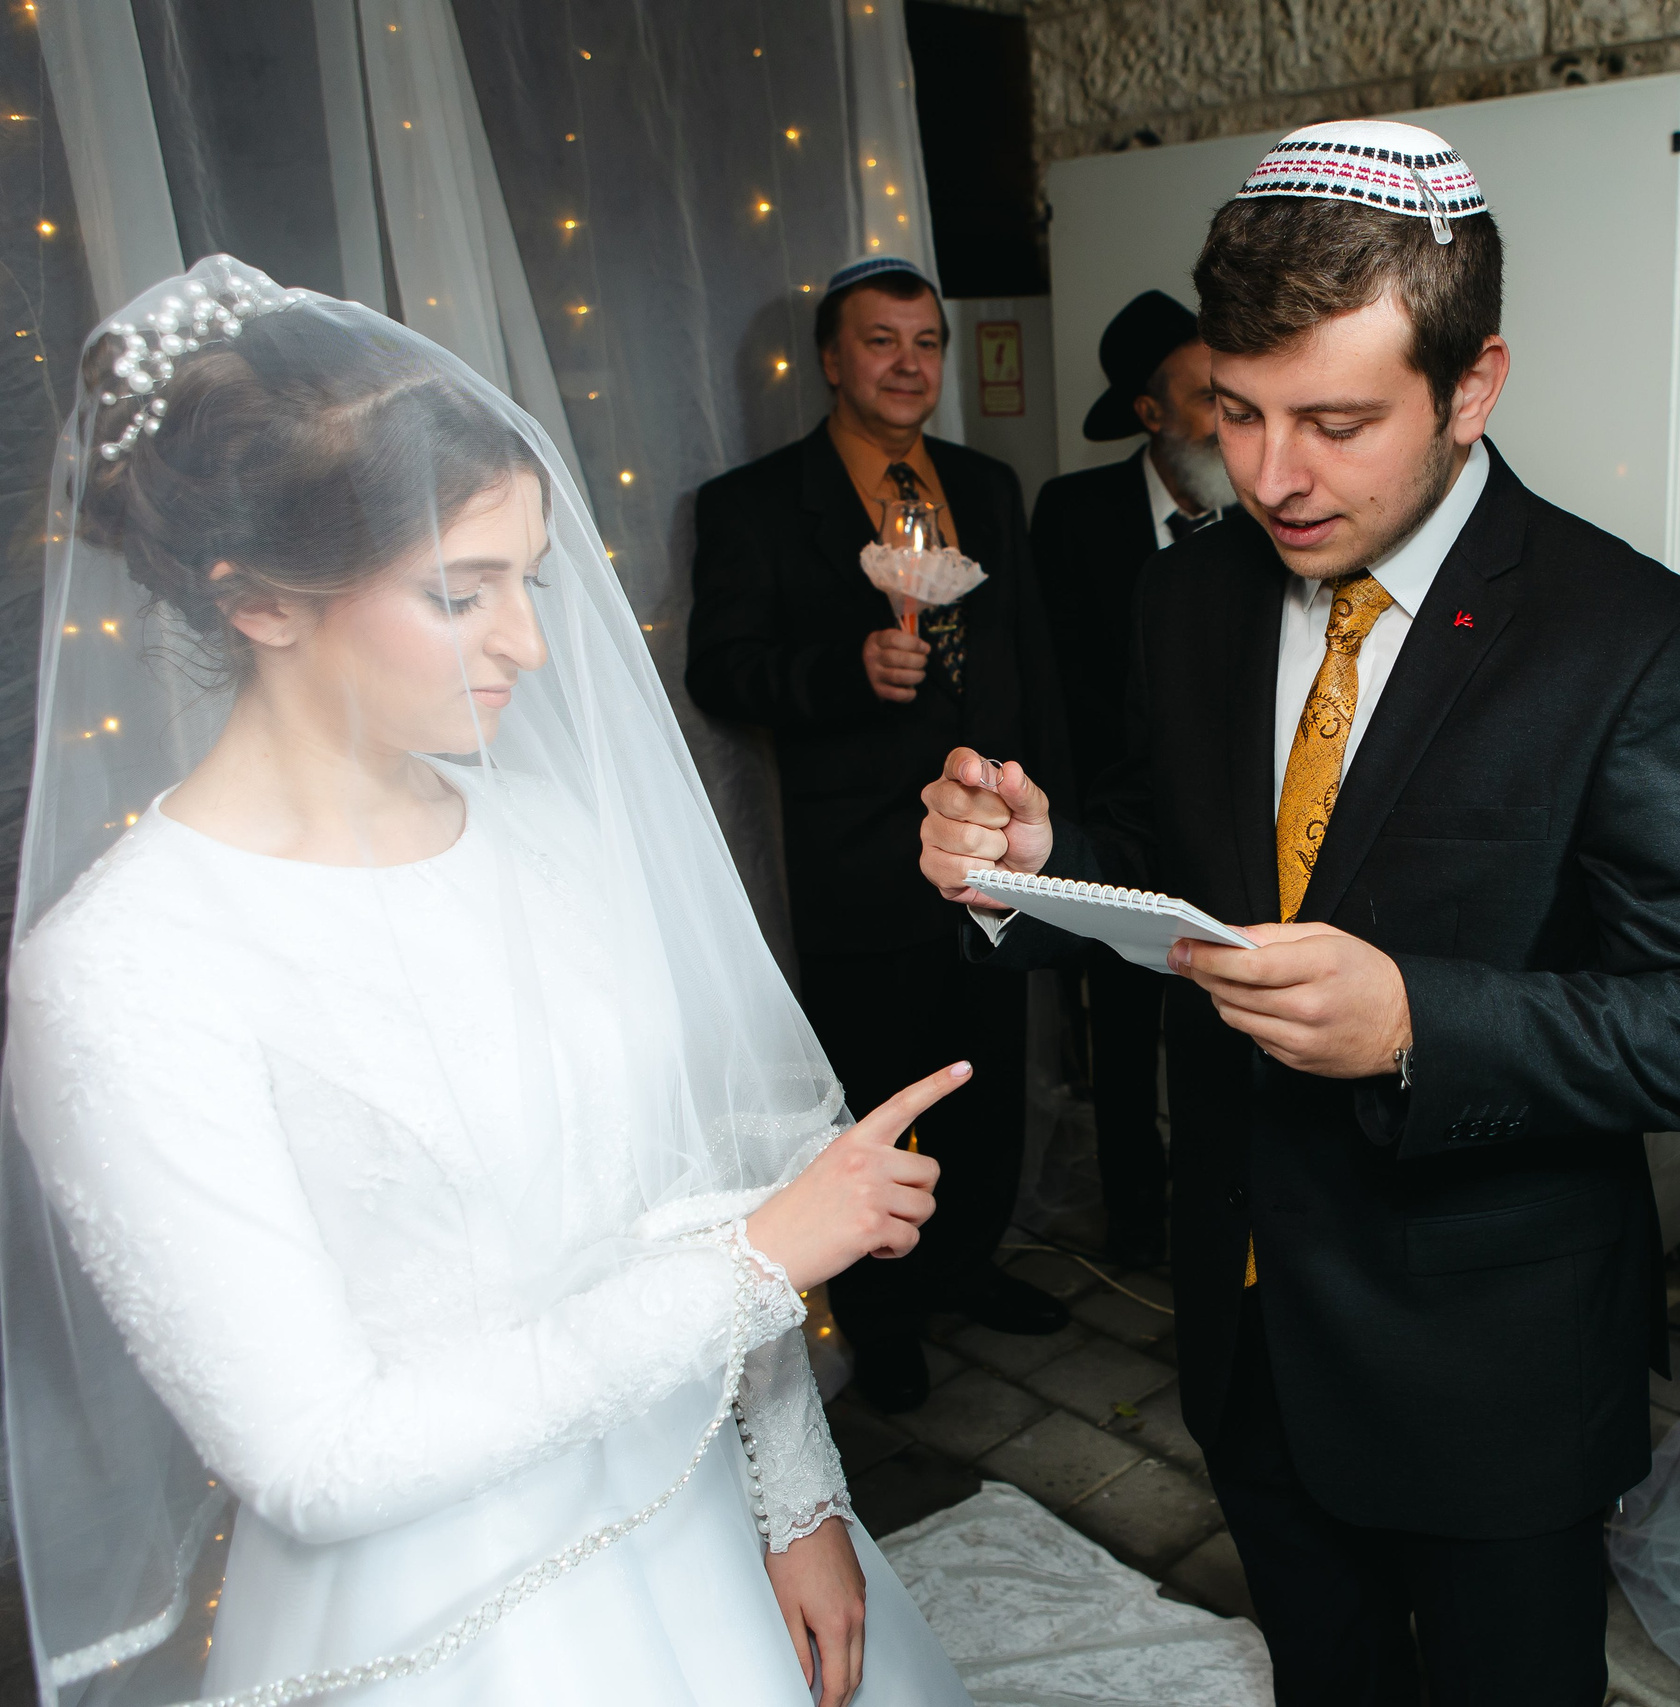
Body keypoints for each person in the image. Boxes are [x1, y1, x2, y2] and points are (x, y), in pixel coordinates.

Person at [2, 257, 975, 1706]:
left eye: (531, 580)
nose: (530, 641)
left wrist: (795, 1496)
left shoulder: (544, 833)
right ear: (261, 602)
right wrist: (760, 1258)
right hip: (454, 1619)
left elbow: (691, 1191)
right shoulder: (125, 970)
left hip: (701, 1504)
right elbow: (319, 1456)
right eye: (462, 593)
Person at [918, 121, 1680, 1704]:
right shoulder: (1189, 593)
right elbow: (1164, 847)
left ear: (1473, 386)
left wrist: (1416, 1023)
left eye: (1335, 421)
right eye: (1236, 411)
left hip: (1490, 1367)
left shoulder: (1639, 642)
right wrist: (1036, 858)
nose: (1272, 476)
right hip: (1245, 1325)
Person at [689, 256, 1076, 1414]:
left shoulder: (986, 484)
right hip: (858, 858)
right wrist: (842, 669)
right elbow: (721, 670)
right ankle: (885, 1316)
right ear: (830, 359)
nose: (909, 364)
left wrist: (1048, 813)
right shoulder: (753, 503)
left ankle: (966, 1268)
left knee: (986, 1078)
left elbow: (1029, 657)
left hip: (990, 849)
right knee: (877, 1093)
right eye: (880, 341)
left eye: (926, 342)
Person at [1030, 288, 1240, 1266]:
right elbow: (1051, 682)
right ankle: (1135, 1224)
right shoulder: (1073, 516)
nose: (1229, 421)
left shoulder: (1265, 512)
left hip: (1231, 832)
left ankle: (1217, 1214)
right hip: (1116, 826)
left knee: (1219, 1032)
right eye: (1205, 397)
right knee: (1117, 1036)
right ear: (1150, 412)